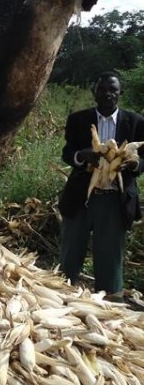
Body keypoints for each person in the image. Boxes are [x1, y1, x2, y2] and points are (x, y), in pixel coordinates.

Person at [58, 71, 144, 296]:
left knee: (110, 258)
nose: (107, 94)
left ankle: (110, 304)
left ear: (120, 93)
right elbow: (68, 153)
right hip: (81, 196)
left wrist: (131, 164)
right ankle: (61, 296)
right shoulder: (78, 119)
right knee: (70, 255)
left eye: (113, 90)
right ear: (94, 92)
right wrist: (82, 156)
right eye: (102, 89)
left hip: (114, 200)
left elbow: (143, 160)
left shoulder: (135, 122)